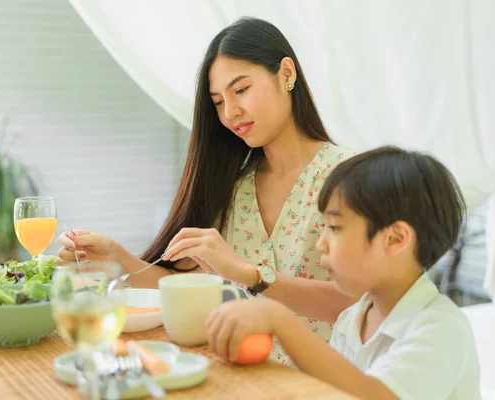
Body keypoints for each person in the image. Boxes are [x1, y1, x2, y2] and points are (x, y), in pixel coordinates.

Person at [57, 17, 356, 364]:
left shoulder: (348, 179)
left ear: (286, 74)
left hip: (328, 384)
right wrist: (116, 258)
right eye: (218, 102)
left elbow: (359, 304)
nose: (231, 113)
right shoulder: (235, 191)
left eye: (241, 90)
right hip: (244, 378)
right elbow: (184, 288)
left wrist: (249, 274)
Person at [206, 146, 481, 399]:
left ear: (395, 239)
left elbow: (373, 395)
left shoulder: (442, 328)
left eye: (334, 228)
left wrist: (279, 319)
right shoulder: (353, 319)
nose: (320, 243)